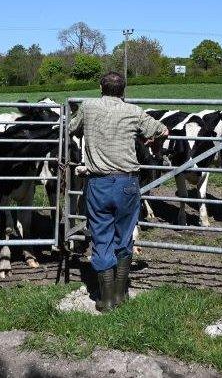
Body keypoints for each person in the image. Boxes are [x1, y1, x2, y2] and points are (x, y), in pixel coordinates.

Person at [68, 71, 168, 312]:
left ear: (100, 88)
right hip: (127, 184)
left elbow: (71, 127)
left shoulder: (88, 107)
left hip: (99, 183)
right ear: (123, 91)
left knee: (101, 238)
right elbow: (163, 131)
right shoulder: (134, 111)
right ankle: (122, 295)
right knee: (124, 237)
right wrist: (149, 142)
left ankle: (106, 299)